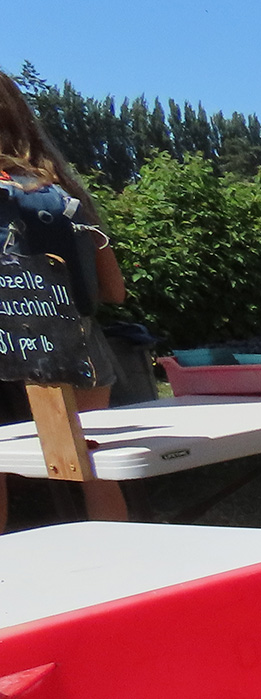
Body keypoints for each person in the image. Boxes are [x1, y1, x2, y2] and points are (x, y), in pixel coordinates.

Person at [0, 70, 127, 525]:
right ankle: (119, 561)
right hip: (72, 347)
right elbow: (113, 291)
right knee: (92, 467)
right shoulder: (60, 193)